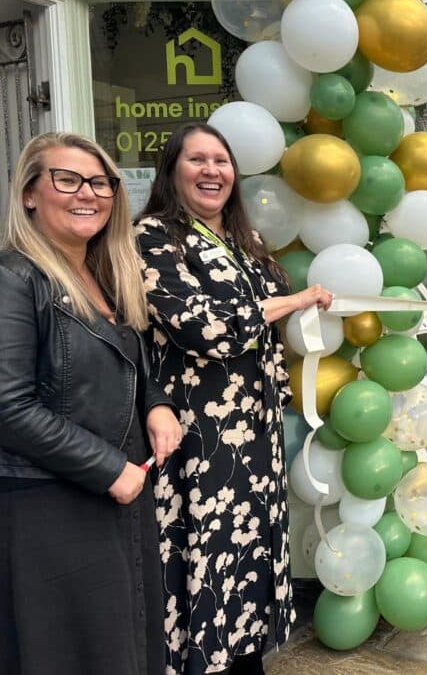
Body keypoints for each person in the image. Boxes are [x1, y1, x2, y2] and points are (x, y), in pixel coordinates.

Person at [135, 123, 332, 675]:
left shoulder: (248, 240)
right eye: (196, 159)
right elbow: (205, 329)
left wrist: (303, 306)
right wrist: (290, 301)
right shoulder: (153, 236)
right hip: (201, 435)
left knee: (253, 557)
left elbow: (266, 317)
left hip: (258, 429)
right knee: (209, 557)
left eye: (221, 161)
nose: (212, 170)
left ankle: (248, 661)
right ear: (172, 170)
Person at [0, 132, 182, 674]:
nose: (88, 193)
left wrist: (156, 404)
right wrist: (109, 470)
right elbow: (8, 407)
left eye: (100, 182)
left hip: (116, 495)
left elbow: (132, 360)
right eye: (67, 179)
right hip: (51, 505)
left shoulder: (104, 272)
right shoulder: (14, 278)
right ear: (30, 193)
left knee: (126, 647)